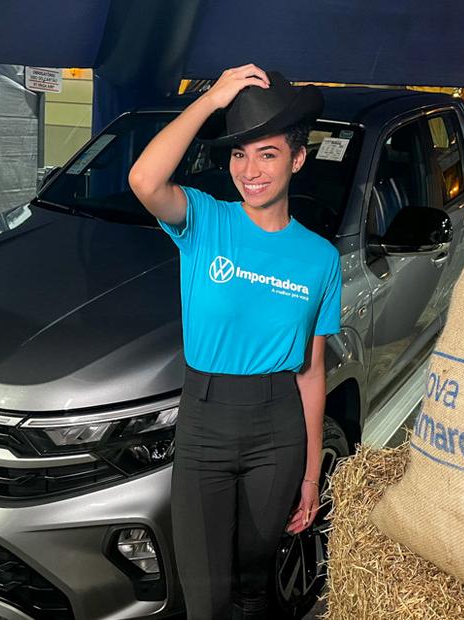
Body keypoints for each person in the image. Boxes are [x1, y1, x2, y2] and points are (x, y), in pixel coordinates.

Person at [128, 65, 342, 619]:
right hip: (205, 421)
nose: (250, 170)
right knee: (205, 597)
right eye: (239, 155)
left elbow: (311, 372)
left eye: (267, 154)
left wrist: (311, 471)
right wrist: (210, 99)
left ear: (297, 159)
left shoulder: (320, 259)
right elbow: (145, 181)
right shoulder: (205, 220)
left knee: (253, 586)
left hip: (279, 427)